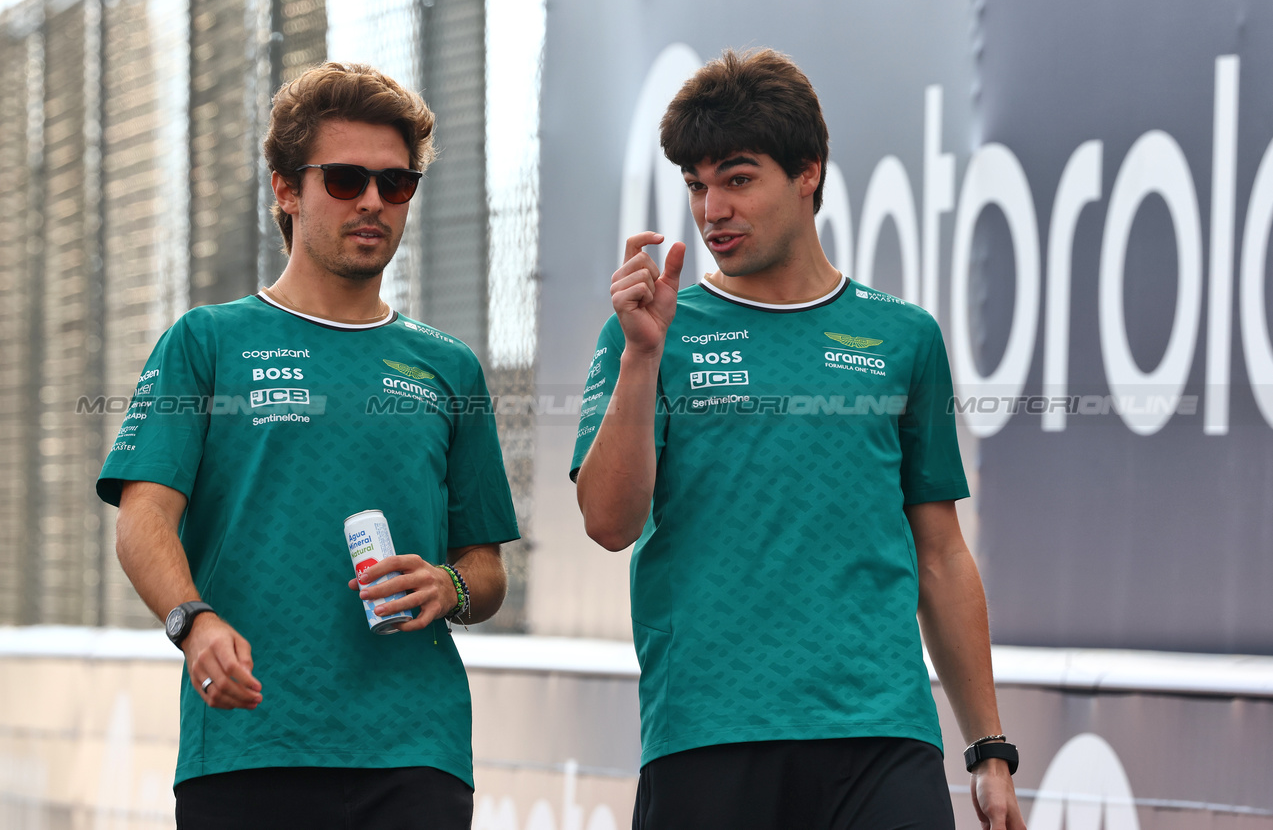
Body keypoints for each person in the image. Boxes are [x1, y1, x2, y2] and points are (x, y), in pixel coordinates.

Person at [572, 49, 1027, 830]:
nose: (712, 208)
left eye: (738, 179)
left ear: (807, 172)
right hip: (706, 736)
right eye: (695, 185)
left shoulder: (903, 336)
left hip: (880, 736)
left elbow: (940, 552)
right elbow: (609, 524)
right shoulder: (648, 330)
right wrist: (644, 354)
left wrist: (988, 748)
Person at [97, 62, 519, 829]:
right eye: (346, 177)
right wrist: (193, 623)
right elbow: (141, 521)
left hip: (413, 753)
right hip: (248, 745)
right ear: (286, 189)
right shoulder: (207, 342)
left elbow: (485, 570)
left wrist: (447, 588)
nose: (371, 201)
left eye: (396, 184)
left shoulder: (447, 365)